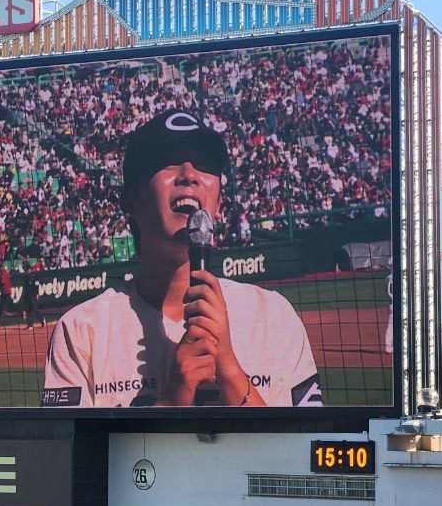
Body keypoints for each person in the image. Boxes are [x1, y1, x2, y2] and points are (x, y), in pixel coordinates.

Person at [42, 110, 324, 407]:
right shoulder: (81, 331)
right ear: (130, 201)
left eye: (205, 165)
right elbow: (68, 440)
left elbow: (302, 437)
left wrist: (230, 372)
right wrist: (172, 401)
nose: (189, 174)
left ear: (219, 204)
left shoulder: (275, 317)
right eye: (168, 161)